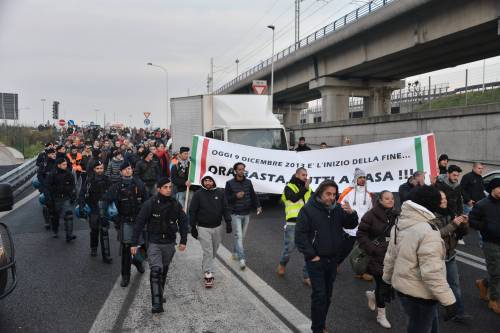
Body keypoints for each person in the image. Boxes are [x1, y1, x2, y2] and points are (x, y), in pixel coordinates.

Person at [383, 186, 457, 333]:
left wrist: (386, 281)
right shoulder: (428, 231)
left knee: (424, 324)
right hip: (421, 294)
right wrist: (449, 300)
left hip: (404, 290)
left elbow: (391, 255)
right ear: (430, 204)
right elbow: (432, 272)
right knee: (420, 327)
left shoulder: (400, 223)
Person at [295, 180, 358, 333]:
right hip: (316, 261)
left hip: (332, 260)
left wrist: (351, 213)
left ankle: (321, 323)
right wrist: (312, 256)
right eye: (328, 194)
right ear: (320, 193)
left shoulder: (337, 209)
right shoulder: (308, 210)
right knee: (320, 295)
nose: (331, 197)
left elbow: (350, 225)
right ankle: (317, 328)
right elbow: (300, 236)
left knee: (327, 295)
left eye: (334, 194)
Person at [131, 177, 188, 313]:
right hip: (154, 242)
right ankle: (156, 304)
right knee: (156, 270)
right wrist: (134, 243)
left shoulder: (175, 204)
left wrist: (183, 240)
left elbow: (184, 222)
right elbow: (139, 223)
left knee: (164, 271)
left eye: (170, 187)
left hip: (169, 243)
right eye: (165, 187)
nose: (168, 190)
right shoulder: (150, 204)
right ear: (159, 189)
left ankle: (160, 294)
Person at [357, 191, 398, 328]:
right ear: (380, 200)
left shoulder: (397, 215)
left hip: (393, 255)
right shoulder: (371, 215)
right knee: (382, 285)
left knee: (389, 284)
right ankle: (381, 316)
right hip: (377, 256)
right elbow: (361, 234)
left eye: (392, 198)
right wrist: (373, 249)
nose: (390, 201)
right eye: (387, 198)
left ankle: (373, 295)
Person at [104, 162, 148, 287]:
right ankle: (125, 276)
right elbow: (106, 202)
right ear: (121, 172)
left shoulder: (139, 184)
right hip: (125, 222)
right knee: (126, 249)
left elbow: (147, 201)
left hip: (139, 221)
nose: (129, 171)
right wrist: (116, 219)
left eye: (130, 168)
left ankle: (138, 261)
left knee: (143, 246)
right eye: (126, 169)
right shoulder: (116, 187)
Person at [434, 190, 471, 323]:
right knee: (435, 287)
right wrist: (454, 224)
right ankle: (430, 314)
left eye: (445, 198)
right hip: (436, 258)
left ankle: (458, 312)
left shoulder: (451, 213)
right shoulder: (431, 216)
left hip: (450, 256)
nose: (444, 201)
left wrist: (464, 223)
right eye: (441, 199)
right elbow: (437, 234)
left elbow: (462, 232)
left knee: (455, 285)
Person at [189, 175, 232, 288]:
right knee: (208, 251)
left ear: (214, 181)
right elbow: (192, 211)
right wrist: (192, 227)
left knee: (213, 250)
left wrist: (228, 222)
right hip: (203, 228)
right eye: (206, 180)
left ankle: (205, 265)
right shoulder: (198, 194)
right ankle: (208, 274)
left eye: (210, 180)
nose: (208, 182)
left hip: (217, 227)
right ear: (203, 182)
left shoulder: (220, 193)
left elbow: (225, 209)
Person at [469, 178, 500, 315]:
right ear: (493, 189)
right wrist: (485, 227)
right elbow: (472, 220)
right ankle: (494, 300)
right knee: (497, 272)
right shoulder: (482, 204)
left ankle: (483, 283)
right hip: (490, 242)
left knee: (497, 272)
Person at [277, 167, 312, 286]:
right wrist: (305, 188)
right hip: (292, 223)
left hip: (307, 223)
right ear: (296, 175)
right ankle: (282, 264)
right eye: (303, 175)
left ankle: (307, 276)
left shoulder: (309, 189)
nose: (305, 177)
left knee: (309, 251)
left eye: (306, 175)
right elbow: (293, 198)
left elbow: (314, 202)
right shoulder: (289, 187)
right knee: (289, 249)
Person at [224, 162, 262, 270]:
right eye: (239, 169)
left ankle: (235, 253)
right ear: (235, 171)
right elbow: (226, 199)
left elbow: (253, 195)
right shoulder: (230, 183)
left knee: (241, 237)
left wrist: (258, 206)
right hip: (235, 214)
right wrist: (235, 196)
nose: (242, 171)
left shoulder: (248, 182)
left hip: (246, 214)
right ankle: (242, 259)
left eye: (243, 169)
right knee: (239, 237)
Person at [338, 168, 373, 280]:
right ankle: (336, 263)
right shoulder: (348, 191)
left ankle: (363, 271)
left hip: (363, 228)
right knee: (346, 249)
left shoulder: (368, 194)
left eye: (364, 177)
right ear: (356, 179)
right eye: (360, 177)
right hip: (350, 227)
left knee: (366, 251)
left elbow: (370, 210)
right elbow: (339, 206)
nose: (362, 180)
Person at [80, 160, 113, 263]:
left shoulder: (108, 180)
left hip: (104, 208)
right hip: (93, 209)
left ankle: (106, 255)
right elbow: (82, 193)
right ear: (94, 169)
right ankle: (93, 248)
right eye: (98, 168)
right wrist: (81, 206)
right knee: (94, 230)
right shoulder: (89, 181)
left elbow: (113, 193)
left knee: (104, 231)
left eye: (101, 168)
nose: (100, 170)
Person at [45, 158, 77, 241]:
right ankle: (55, 230)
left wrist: (73, 196)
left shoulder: (68, 174)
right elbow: (47, 188)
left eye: (66, 164)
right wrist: (49, 199)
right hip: (55, 198)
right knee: (55, 217)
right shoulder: (52, 175)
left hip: (65, 198)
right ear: (58, 165)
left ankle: (69, 234)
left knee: (69, 214)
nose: (65, 166)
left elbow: (73, 185)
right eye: (63, 164)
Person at [37, 147, 57, 230]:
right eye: (52, 154)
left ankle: (55, 220)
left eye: (54, 154)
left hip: (56, 187)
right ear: (48, 155)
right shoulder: (43, 165)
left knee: (56, 204)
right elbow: (39, 176)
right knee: (45, 204)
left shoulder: (57, 163)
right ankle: (47, 221)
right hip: (45, 187)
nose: (54, 155)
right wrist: (45, 184)